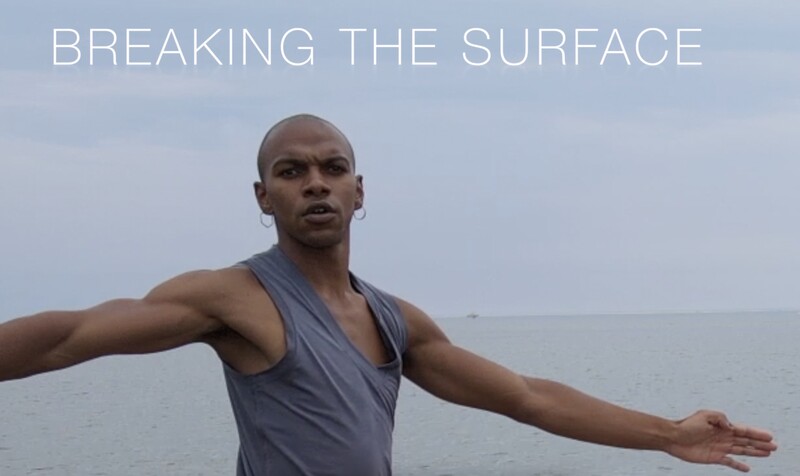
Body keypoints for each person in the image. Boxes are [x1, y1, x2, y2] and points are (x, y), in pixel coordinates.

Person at [0, 114, 777, 475]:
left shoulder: (395, 320)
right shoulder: (234, 299)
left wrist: (666, 435)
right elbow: (72, 336)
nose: (315, 183)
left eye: (332, 168)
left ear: (359, 190)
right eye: (291, 171)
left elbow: (527, 398)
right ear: (263, 196)